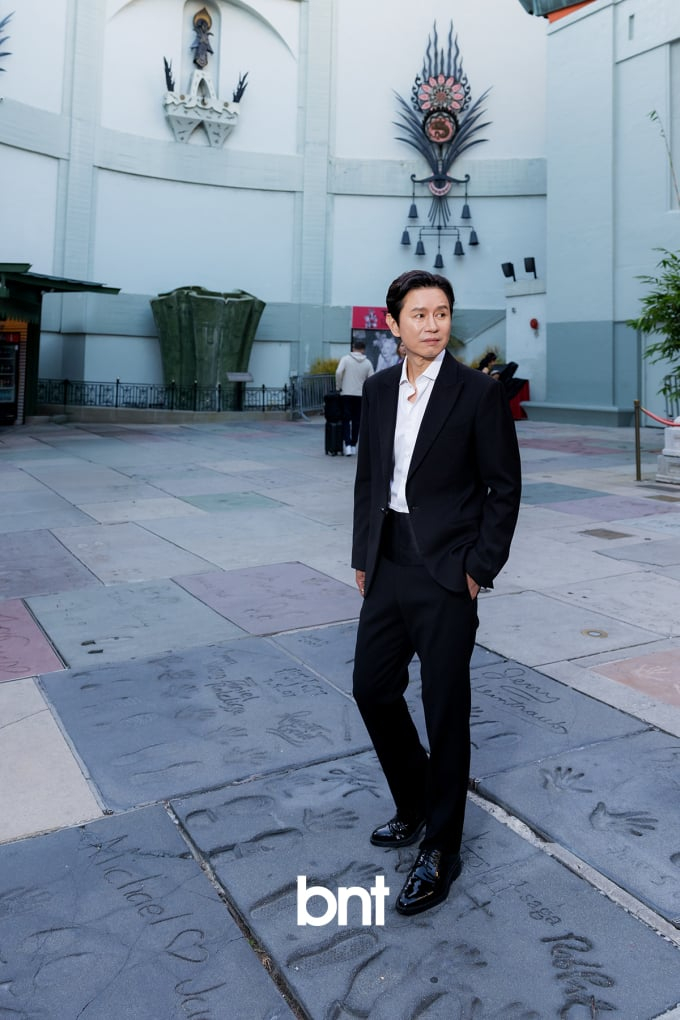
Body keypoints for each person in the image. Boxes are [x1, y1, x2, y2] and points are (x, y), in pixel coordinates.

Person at [351, 269, 522, 916]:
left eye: (442, 313)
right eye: (419, 314)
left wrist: (480, 566)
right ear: (393, 323)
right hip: (387, 562)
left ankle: (441, 848)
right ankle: (416, 800)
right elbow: (371, 477)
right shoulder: (377, 389)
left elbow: (504, 487)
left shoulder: (478, 393)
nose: (432, 324)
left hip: (448, 571)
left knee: (444, 708)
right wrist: (363, 553)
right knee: (372, 688)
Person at [335, 340, 374, 455]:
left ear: (353, 348)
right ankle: (353, 445)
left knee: (346, 419)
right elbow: (372, 378)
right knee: (357, 420)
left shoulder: (345, 359)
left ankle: (347, 445)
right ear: (363, 350)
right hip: (360, 395)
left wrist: (339, 386)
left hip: (346, 393)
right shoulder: (367, 363)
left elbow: (338, 372)